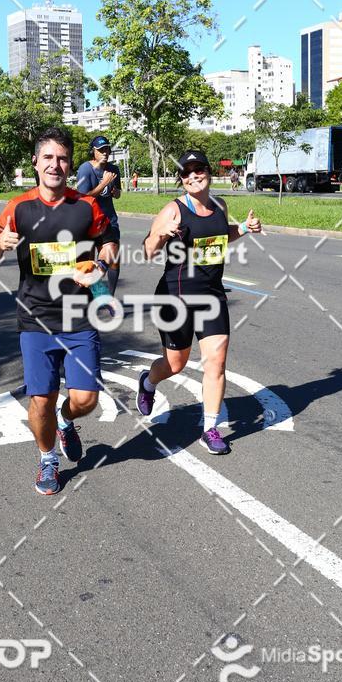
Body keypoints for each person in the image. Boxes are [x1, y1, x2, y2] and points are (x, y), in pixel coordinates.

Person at [0, 127, 118, 496]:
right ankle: (46, 459)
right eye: (48, 158)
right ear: (36, 163)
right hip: (35, 319)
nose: (55, 165)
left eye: (62, 158)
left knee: (85, 400)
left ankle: (67, 421)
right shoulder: (18, 207)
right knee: (40, 399)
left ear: (70, 164)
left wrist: (102, 268)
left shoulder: (85, 206)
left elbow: (109, 244)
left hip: (78, 316)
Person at [136, 149, 262, 455]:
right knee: (175, 364)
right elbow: (147, 251)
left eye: (198, 169)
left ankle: (210, 429)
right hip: (175, 297)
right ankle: (148, 382)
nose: (193, 175)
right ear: (181, 179)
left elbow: (220, 235)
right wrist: (161, 236)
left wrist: (244, 229)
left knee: (216, 363)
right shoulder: (174, 210)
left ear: (208, 171)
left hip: (212, 295)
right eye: (186, 172)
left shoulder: (220, 204)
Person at [76, 136, 121, 296]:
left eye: (107, 149)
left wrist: (116, 192)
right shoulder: (85, 169)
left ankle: (110, 298)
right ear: (93, 152)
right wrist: (103, 183)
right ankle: (95, 296)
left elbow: (118, 194)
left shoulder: (114, 169)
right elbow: (83, 198)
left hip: (109, 221)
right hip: (89, 222)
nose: (105, 153)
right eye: (101, 150)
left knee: (114, 261)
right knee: (89, 264)